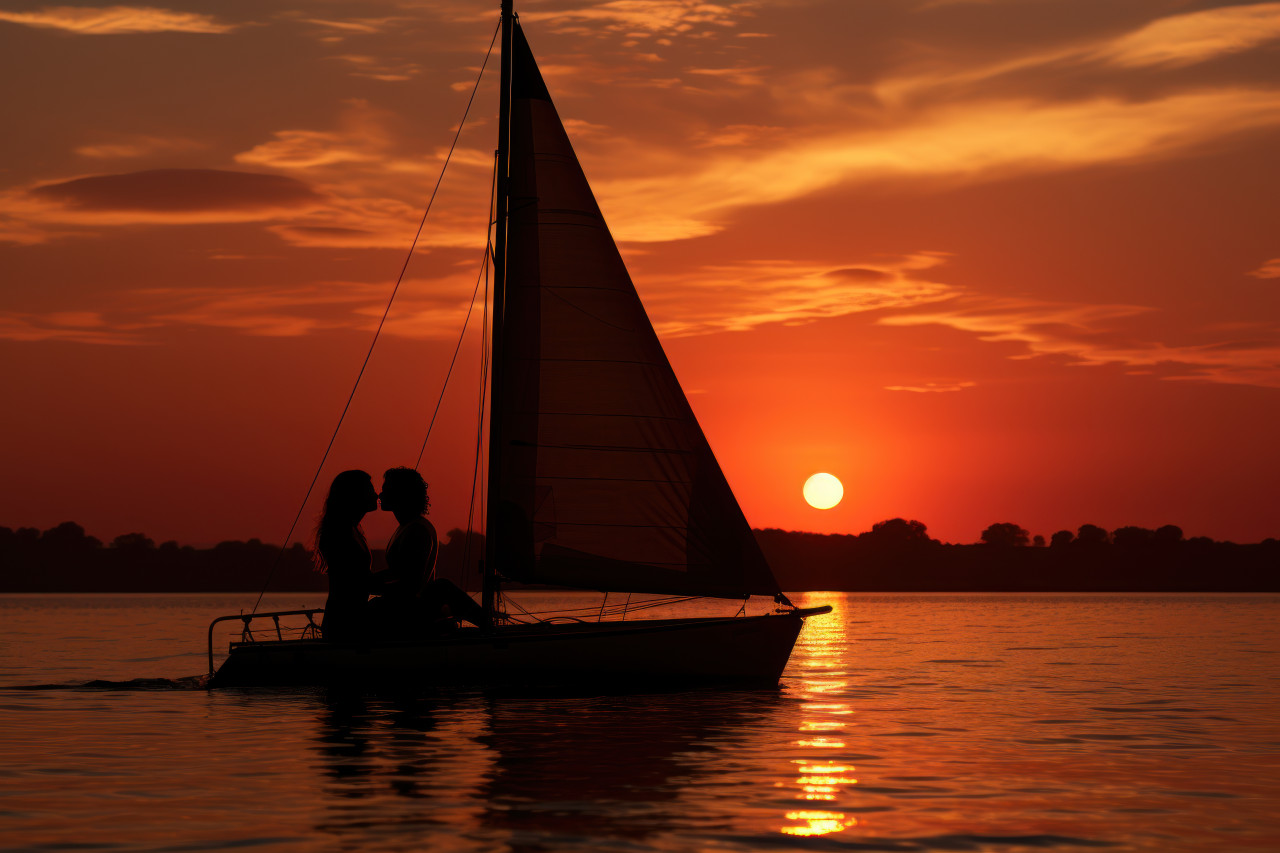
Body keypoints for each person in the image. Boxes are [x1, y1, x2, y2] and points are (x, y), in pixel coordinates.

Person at [371, 466, 486, 631]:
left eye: (386, 489)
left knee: (441, 585)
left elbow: (411, 583)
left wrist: (367, 586)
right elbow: (399, 572)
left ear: (401, 493)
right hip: (404, 607)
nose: (380, 495)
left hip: (411, 612)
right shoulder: (406, 526)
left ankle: (487, 625)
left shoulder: (416, 530)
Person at [315, 470, 378, 641]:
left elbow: (363, 578)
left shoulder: (353, 530)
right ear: (355, 495)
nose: (376, 494)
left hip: (353, 618)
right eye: (371, 490)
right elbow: (356, 580)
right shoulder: (339, 532)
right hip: (344, 622)